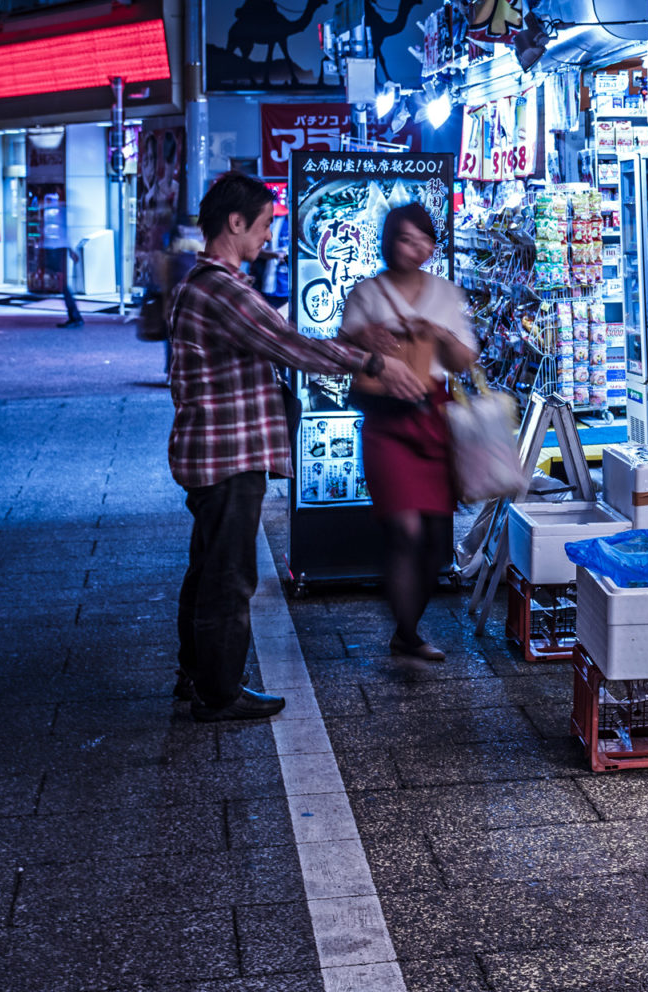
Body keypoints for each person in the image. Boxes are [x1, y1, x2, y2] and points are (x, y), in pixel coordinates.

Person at [168, 172, 425, 721]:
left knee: (208, 567)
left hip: (214, 450)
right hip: (227, 454)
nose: (268, 238)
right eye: (263, 225)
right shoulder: (221, 288)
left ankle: (197, 673)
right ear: (234, 223)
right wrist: (372, 361)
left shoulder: (206, 285)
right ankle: (218, 693)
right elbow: (288, 343)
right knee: (228, 575)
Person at [341, 203, 477, 662]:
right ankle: (406, 628)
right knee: (405, 528)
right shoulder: (366, 293)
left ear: (433, 246)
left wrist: (437, 334)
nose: (413, 246)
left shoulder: (446, 294)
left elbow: (463, 360)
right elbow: (341, 348)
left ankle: (407, 632)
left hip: (434, 422)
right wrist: (365, 339)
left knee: (437, 541)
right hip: (387, 421)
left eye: (422, 239)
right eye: (403, 237)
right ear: (387, 241)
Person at [38, 205, 82, 328]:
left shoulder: (56, 211)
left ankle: (75, 317)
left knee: (63, 285)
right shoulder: (54, 211)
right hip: (55, 250)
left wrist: (70, 249)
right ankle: (75, 316)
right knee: (62, 285)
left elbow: (62, 234)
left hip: (56, 250)